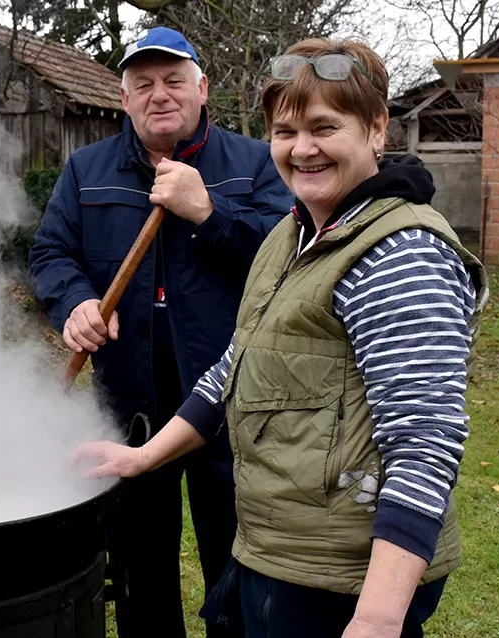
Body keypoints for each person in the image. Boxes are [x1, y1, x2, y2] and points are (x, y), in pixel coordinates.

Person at [75, 37, 488, 638]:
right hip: (274, 550)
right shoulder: (292, 234)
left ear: (376, 129)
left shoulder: (400, 254)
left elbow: (424, 440)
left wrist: (376, 616)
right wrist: (145, 456)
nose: (303, 149)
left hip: (341, 579)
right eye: (286, 131)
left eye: (325, 127)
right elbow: (238, 364)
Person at [28, 26, 292, 638]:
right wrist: (76, 301)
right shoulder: (86, 170)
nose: (159, 95)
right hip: (128, 403)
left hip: (231, 403)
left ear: (203, 88)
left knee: (238, 558)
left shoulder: (256, 164)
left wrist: (209, 211)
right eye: (142, 84)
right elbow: (50, 254)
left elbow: (291, 261)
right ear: (124, 99)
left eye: (174, 80)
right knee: (137, 568)